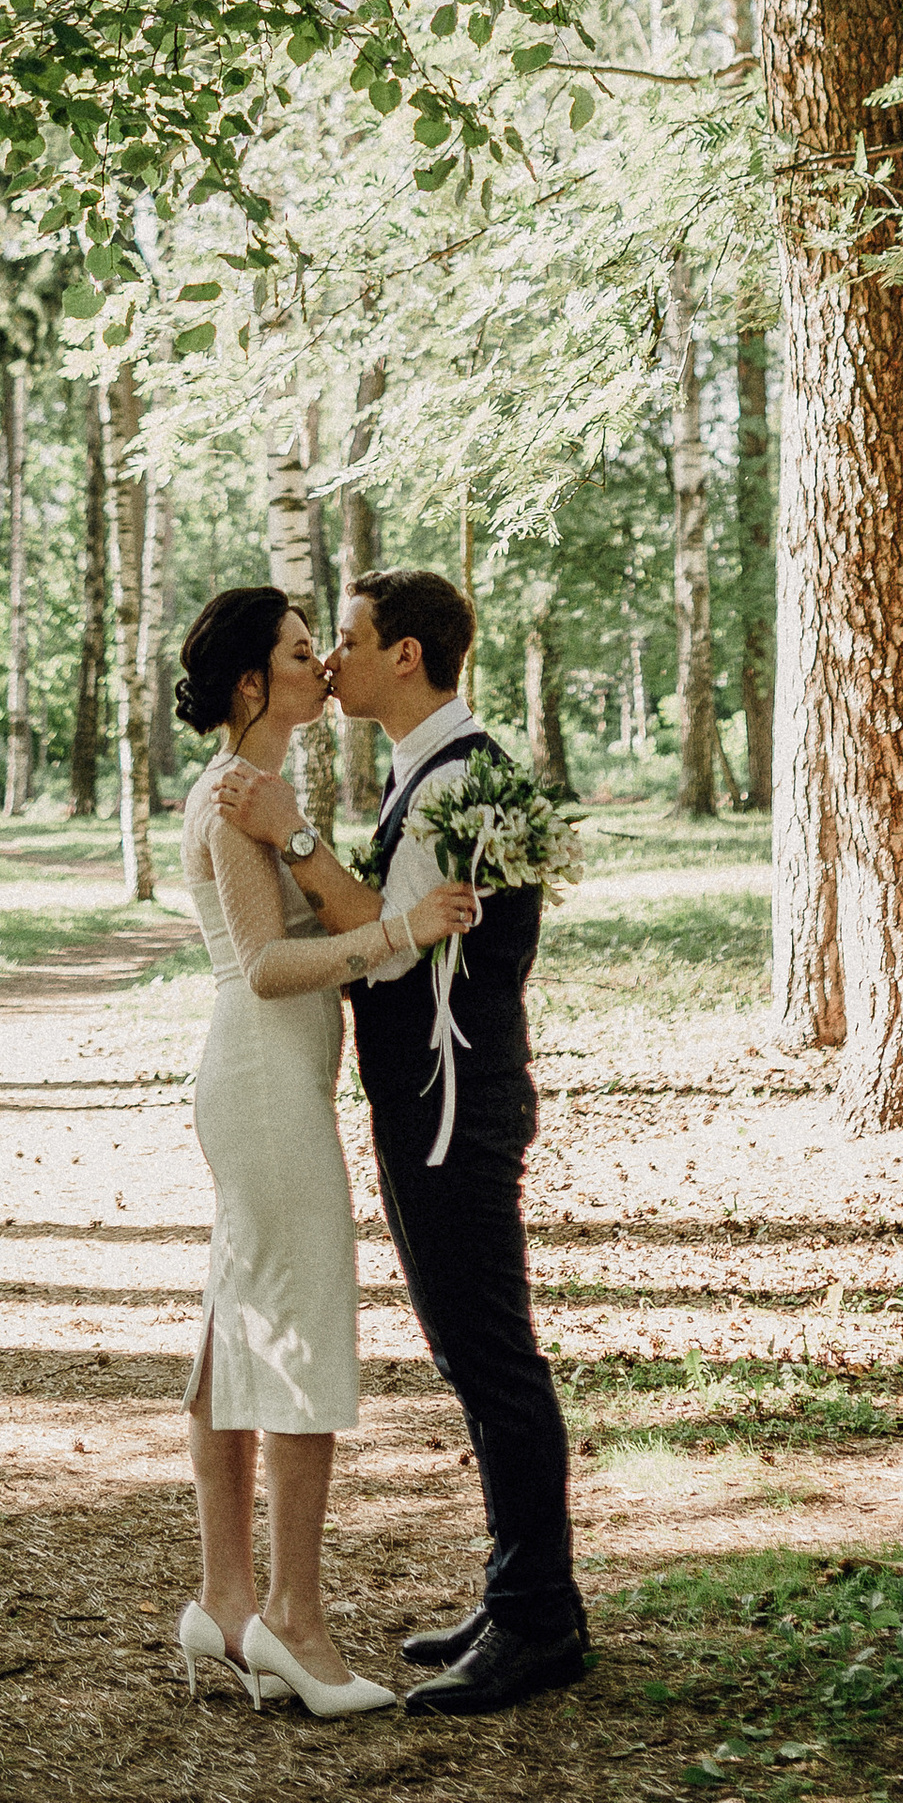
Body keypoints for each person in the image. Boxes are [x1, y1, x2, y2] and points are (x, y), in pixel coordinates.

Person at [218, 565, 591, 1717]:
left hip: (452, 1108)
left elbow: (388, 951)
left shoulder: (456, 783)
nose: (331, 660)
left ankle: (541, 1620)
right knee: (468, 1351)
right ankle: (515, 1586)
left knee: (491, 1354)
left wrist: (292, 839)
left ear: (407, 657)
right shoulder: (430, 774)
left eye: (348, 639)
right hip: (438, 1101)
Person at [174, 584, 479, 1719]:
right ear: (256, 682)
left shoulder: (262, 790)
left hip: (266, 1079)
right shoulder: (237, 793)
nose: (324, 666)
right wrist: (397, 931)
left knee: (240, 1318)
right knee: (298, 1326)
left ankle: (224, 1597)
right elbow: (261, 964)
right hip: (259, 1080)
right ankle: (293, 1625)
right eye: (305, 652)